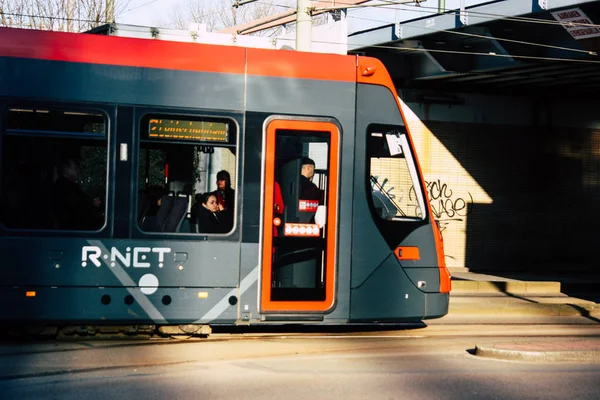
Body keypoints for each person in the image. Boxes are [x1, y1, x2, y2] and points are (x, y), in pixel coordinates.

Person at [52, 158, 103, 230]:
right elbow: (77, 208)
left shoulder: (69, 186)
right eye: (75, 168)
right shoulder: (64, 187)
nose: (78, 171)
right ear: (67, 170)